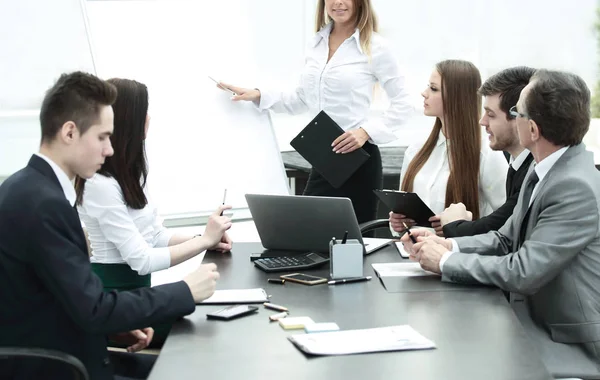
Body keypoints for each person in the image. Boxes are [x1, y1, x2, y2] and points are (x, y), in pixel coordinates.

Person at [0, 72, 220, 380]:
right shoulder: (44, 204)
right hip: (60, 368)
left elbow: (48, 300)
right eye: (102, 137)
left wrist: (115, 328)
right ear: (69, 132)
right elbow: (94, 309)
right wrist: (184, 291)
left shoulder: (27, 188)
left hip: (70, 351)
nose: (110, 150)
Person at [402, 69, 600, 371]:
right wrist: (448, 244)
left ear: (531, 129)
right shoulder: (544, 168)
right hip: (531, 321)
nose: (489, 122)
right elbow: (504, 239)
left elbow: (524, 270)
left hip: (566, 341)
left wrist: (444, 262)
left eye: (516, 113)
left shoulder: (575, 186)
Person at [219, 0, 414, 223]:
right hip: (324, 157)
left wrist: (365, 132)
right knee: (309, 234)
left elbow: (404, 103)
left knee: (349, 241)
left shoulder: (376, 46)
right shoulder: (317, 43)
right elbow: (302, 98)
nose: (338, 3)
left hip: (357, 159)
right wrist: (257, 94)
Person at [74, 78, 232, 346]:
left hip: (138, 295)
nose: (149, 117)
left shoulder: (128, 173)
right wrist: (203, 240)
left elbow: (153, 235)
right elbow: (142, 260)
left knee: (214, 323)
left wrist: (206, 238)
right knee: (208, 329)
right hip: (115, 299)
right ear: (131, 120)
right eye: (144, 110)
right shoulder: (99, 184)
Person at [389, 60, 507, 236]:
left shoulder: (486, 153)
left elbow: (507, 221)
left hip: (458, 256)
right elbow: (401, 215)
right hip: (409, 253)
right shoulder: (416, 149)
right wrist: (397, 223)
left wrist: (459, 228)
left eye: (433, 88)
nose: (424, 93)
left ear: (456, 96)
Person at [439, 66, 536, 237]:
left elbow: (500, 227)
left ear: (518, 117)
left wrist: (454, 224)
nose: (482, 122)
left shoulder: (536, 173)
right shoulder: (519, 164)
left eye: (490, 115)